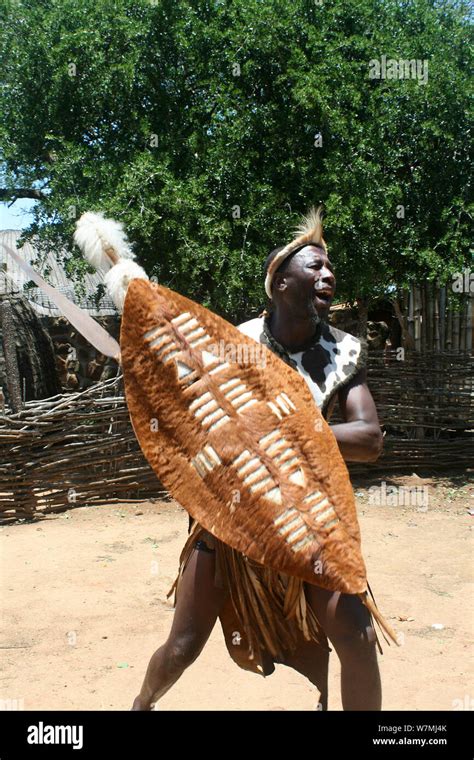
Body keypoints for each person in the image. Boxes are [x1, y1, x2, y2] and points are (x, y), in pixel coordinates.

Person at [132, 208, 385, 711]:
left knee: (357, 639)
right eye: (314, 267)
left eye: (329, 269)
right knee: (182, 647)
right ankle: (140, 706)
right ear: (280, 282)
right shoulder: (235, 345)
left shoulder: (341, 353)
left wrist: (293, 432)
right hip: (232, 521)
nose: (328, 275)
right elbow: (193, 428)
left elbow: (369, 438)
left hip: (309, 521)